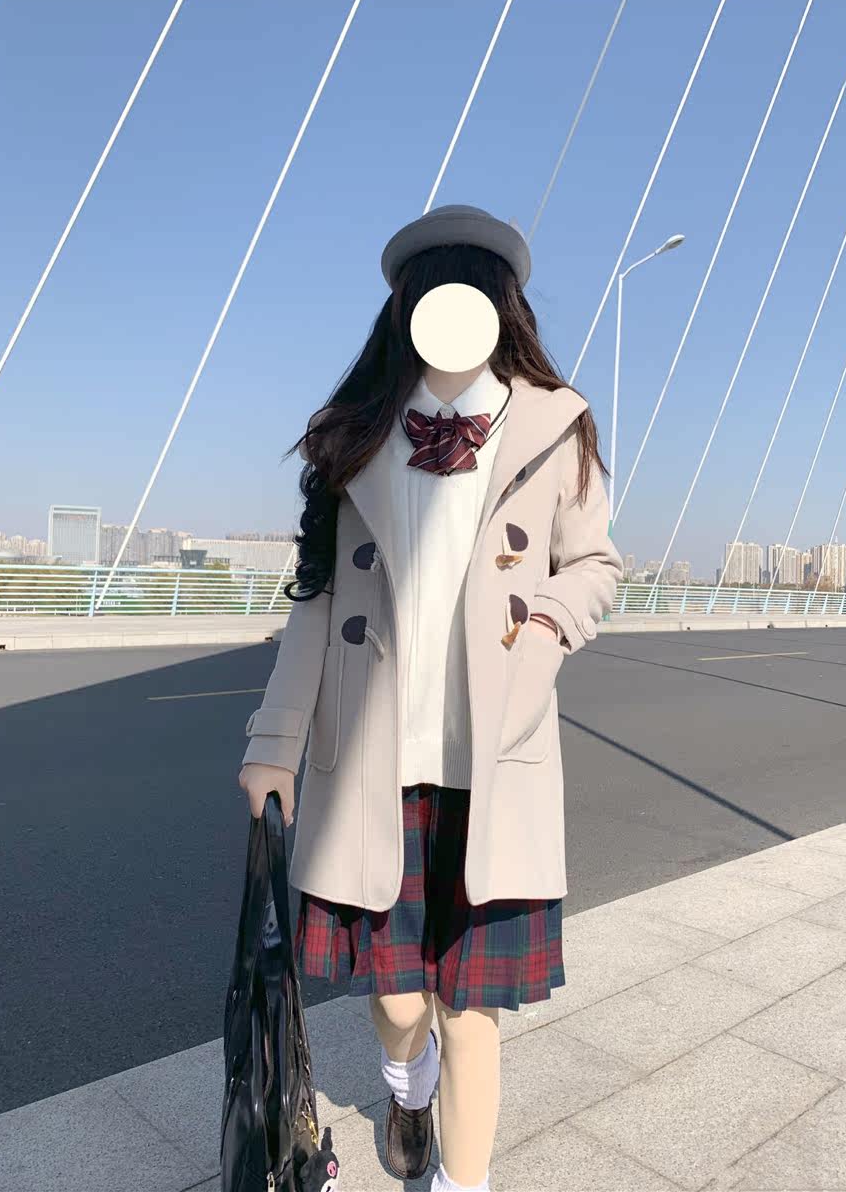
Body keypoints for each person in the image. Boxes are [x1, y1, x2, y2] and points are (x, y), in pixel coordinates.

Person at [239, 204, 623, 1192]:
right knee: (402, 1002)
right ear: (407, 309)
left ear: (502, 307)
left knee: (472, 1013)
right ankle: (406, 1086)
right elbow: (316, 604)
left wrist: (546, 625)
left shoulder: (557, 426)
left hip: (495, 761)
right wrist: (273, 742)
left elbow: (595, 565)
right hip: (380, 760)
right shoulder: (354, 439)